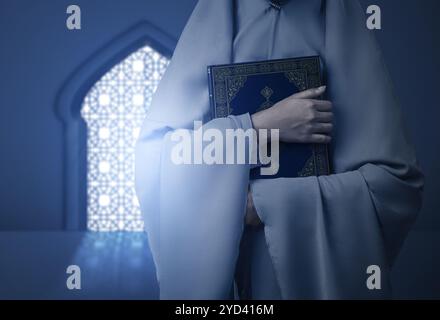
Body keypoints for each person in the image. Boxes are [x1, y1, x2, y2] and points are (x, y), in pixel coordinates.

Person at [135, 0, 424, 299]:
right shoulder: (220, 11)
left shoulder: (337, 15)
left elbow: (394, 186)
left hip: (308, 268)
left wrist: (262, 205)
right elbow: (159, 161)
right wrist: (259, 127)